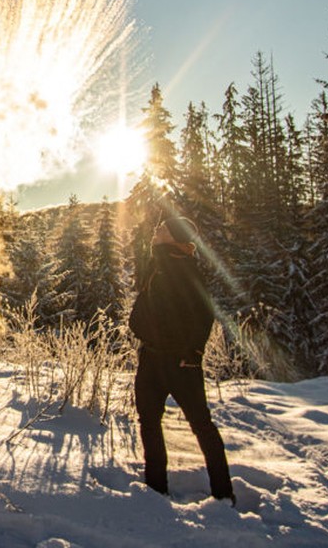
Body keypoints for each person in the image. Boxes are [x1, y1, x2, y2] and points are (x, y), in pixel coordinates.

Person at [127, 216, 234, 503]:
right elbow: (144, 309)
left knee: (201, 425)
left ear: (175, 237)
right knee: (149, 421)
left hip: (181, 364)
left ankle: (224, 494)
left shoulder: (187, 270)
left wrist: (193, 353)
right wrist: (140, 330)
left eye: (162, 229)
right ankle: (155, 488)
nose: (156, 231)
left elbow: (204, 315)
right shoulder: (156, 266)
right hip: (150, 358)